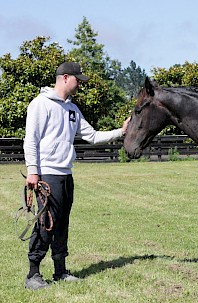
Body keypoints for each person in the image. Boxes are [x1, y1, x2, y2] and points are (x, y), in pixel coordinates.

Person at [23, 62, 130, 290]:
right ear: (64, 78)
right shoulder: (40, 105)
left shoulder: (73, 109)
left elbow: (91, 135)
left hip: (66, 174)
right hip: (47, 175)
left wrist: (121, 132)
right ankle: (33, 274)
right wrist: (33, 170)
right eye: (77, 79)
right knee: (45, 225)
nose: (80, 83)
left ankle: (60, 271)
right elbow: (30, 139)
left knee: (62, 223)